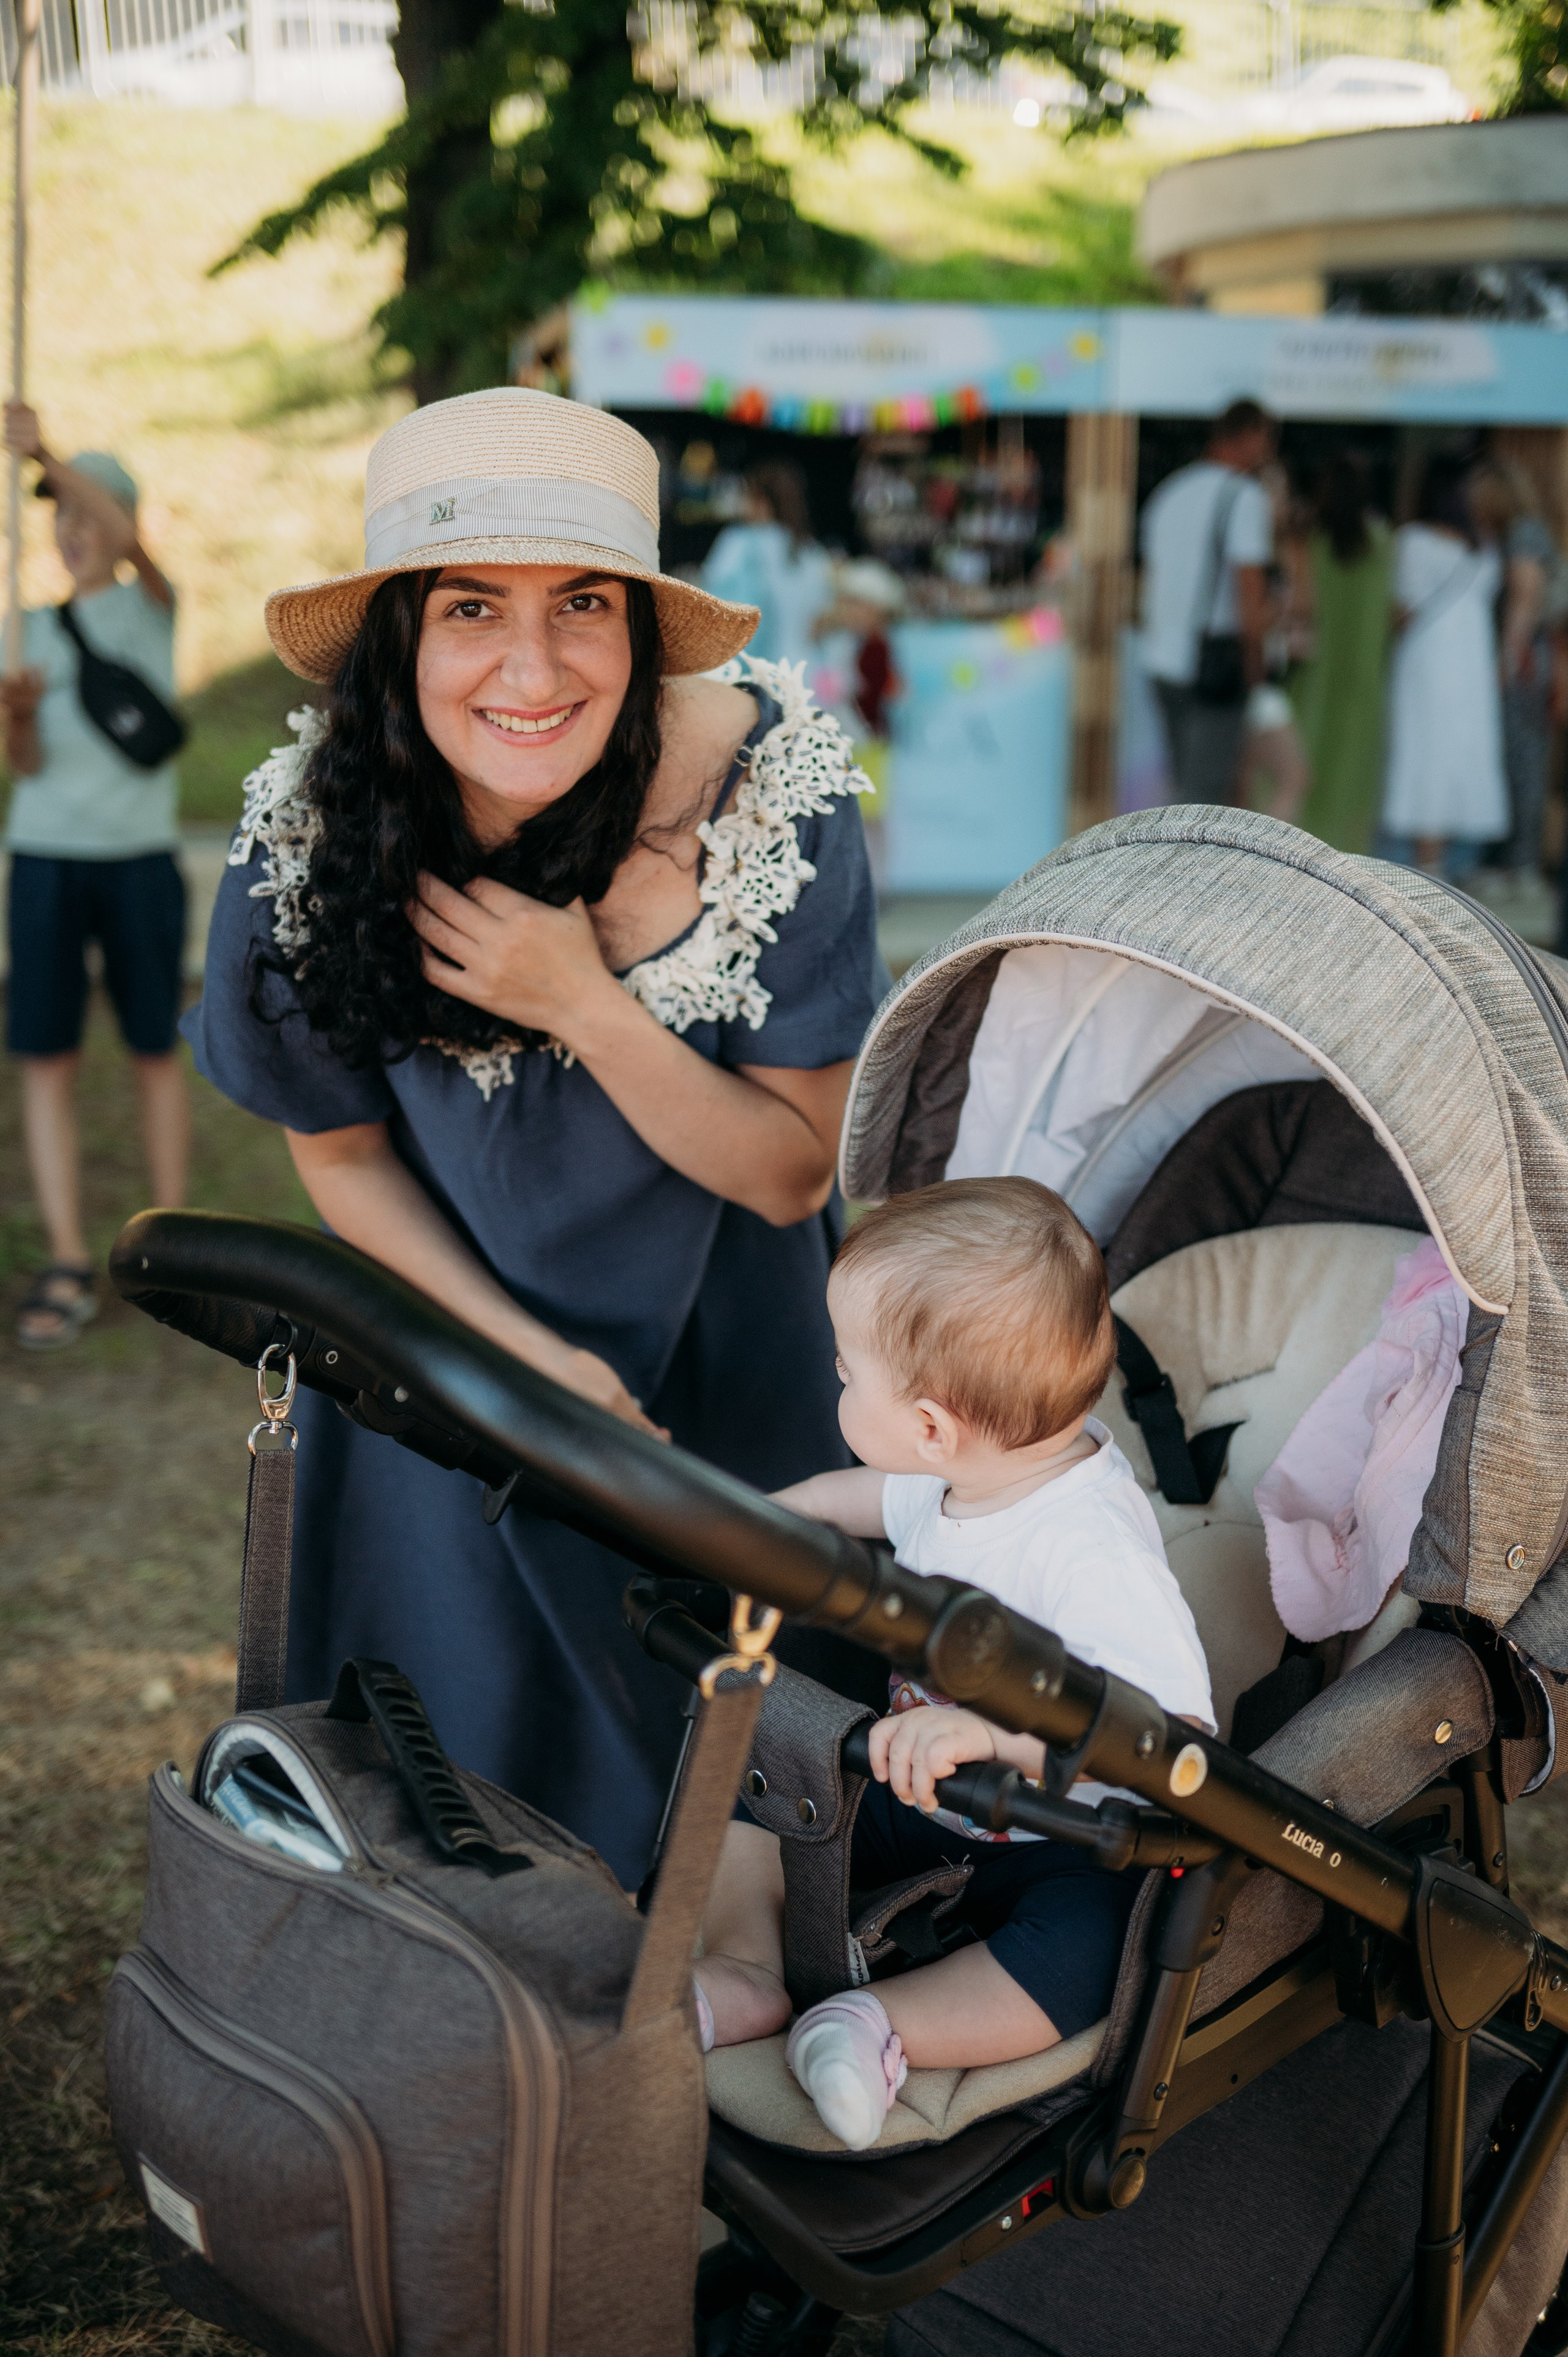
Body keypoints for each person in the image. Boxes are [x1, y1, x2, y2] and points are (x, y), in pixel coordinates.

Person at [185, 387, 887, 1885]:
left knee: (724, 1836)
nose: (530, 663)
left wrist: (584, 1001)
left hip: (722, 1375)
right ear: (399, 637)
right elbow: (342, 1157)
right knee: (456, 1803)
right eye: (468, 606)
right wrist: (518, 1363)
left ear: (639, 627)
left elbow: (788, 1170)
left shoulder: (772, 800)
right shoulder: (305, 839)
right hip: (435, 1369)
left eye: (583, 602)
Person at [694, 1177, 1213, 2151]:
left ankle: (877, 2030)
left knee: (1094, 1953)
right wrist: (761, 1525)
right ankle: (748, 1973)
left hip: (1066, 1842)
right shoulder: (952, 1478)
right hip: (919, 1799)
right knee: (754, 1795)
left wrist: (989, 1734)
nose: (837, 1383)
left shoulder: (1090, 1553)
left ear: (933, 1424)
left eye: (848, 1373)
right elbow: (844, 1502)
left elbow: (1173, 1737)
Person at [1, 402, 188, 1349]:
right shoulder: (26, 627)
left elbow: (123, 534)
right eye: (57, 519)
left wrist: (47, 455)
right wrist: (18, 715)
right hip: (45, 859)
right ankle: (71, 1256)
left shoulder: (153, 601)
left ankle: (177, 1254)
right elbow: (23, 766)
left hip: (138, 862)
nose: (72, 534)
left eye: (86, 516)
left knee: (155, 1049)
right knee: (50, 1057)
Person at [1139, 399, 1276, 805]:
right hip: (1212, 665)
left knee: (1187, 785)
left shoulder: (1171, 491)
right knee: (1203, 797)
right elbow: (1248, 586)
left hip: (1162, 659)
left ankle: (1178, 865)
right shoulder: (1243, 495)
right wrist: (1256, 661)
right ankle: (1181, 871)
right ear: (1251, 436)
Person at [1379, 457, 1507, 877]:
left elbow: (1398, 612)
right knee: (1455, 757)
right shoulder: (1484, 549)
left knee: (1424, 756)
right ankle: (1439, 871)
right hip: (1469, 667)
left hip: (1427, 665)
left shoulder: (1413, 542)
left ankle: (1429, 869)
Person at [1290, 451, 1394, 856]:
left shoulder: (1310, 544)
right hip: (1365, 679)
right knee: (1354, 776)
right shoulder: (1384, 543)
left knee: (1307, 768)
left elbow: (1301, 608)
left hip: (1315, 681)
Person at [1469, 456, 1559, 889]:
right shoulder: (1528, 532)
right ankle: (1516, 859)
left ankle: (1521, 862)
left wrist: (1505, 661)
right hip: (1528, 657)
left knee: (1521, 758)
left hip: (1524, 660)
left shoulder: (1522, 535)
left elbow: (1525, 598)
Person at [701, 460, 837, 669]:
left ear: (761, 500)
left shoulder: (739, 541)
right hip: (803, 673)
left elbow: (711, 602)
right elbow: (822, 619)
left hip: (753, 671)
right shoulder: (812, 552)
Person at [1238, 461, 1314, 824]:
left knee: (1245, 788)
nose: (1278, 501)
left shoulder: (1279, 552)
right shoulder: (1251, 555)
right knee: (1293, 776)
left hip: (1259, 681)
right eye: (1270, 491)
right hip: (1252, 682)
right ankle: (1265, 867)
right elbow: (1251, 622)